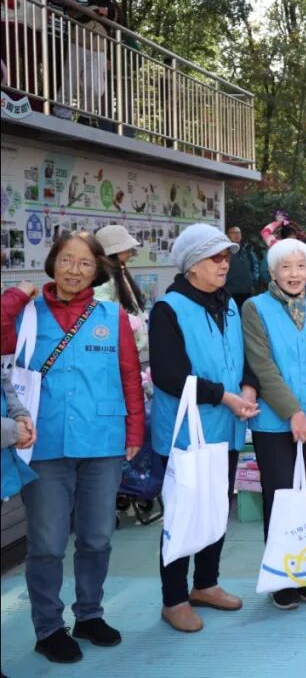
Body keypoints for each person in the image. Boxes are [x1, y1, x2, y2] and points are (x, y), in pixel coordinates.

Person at [0, 232, 144, 663]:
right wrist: (16, 293)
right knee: (47, 542)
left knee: (97, 537)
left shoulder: (111, 315)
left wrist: (134, 431)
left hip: (103, 441)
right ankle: (48, 628)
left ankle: (89, 614)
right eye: (66, 260)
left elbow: (129, 375)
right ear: (52, 263)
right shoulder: (27, 314)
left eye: (84, 263)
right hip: (42, 441)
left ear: (97, 270)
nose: (74, 270)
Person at [149, 223, 259, 633]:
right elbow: (168, 375)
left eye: (226, 256)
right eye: (215, 257)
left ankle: (206, 583)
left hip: (224, 429)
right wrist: (223, 396)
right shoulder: (168, 309)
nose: (224, 264)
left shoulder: (228, 304)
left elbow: (243, 357)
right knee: (183, 513)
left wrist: (248, 386)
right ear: (192, 265)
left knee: (216, 508)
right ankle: (174, 598)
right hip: (185, 433)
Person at [242, 238, 306, 611]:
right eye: (285, 267)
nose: (294, 274)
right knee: (281, 498)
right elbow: (262, 365)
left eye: (300, 266)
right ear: (272, 271)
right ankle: (282, 576)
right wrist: (292, 412)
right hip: (274, 423)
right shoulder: (255, 308)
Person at [57, 0, 117, 124]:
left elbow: (111, 23)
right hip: (77, 41)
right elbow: (75, 11)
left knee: (96, 87)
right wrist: (95, 9)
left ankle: (85, 116)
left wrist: (108, 56)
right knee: (70, 79)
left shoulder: (109, 2)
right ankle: (62, 114)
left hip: (99, 48)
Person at [92, 224, 149, 354]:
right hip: (118, 349)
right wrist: (134, 323)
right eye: (126, 247)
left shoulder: (119, 271)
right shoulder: (104, 278)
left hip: (129, 346)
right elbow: (102, 311)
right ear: (114, 251)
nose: (130, 251)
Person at [224, 226, 259, 308]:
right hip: (230, 291)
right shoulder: (225, 251)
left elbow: (255, 266)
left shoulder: (247, 249)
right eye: (233, 233)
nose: (237, 235)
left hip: (247, 290)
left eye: (238, 233)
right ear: (227, 235)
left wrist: (254, 282)